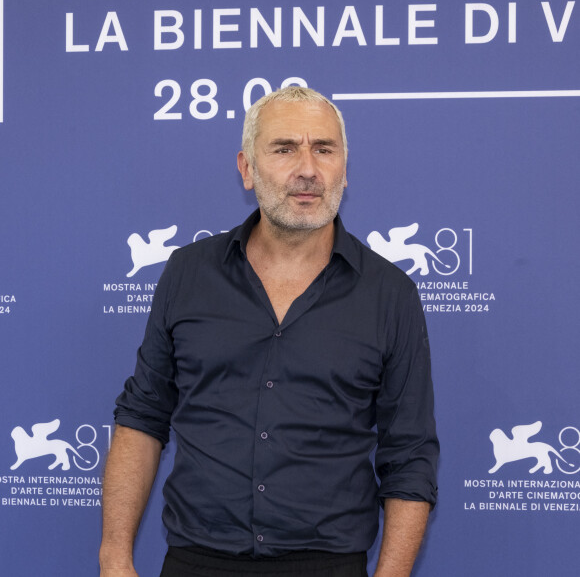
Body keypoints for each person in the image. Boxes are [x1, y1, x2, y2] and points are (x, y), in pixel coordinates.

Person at [99, 86, 439, 577]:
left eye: (324, 148)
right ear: (246, 168)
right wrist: (113, 558)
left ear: (344, 166)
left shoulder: (391, 294)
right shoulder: (187, 273)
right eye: (284, 149)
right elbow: (143, 415)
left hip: (328, 565)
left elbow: (409, 455)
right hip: (196, 562)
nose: (307, 168)